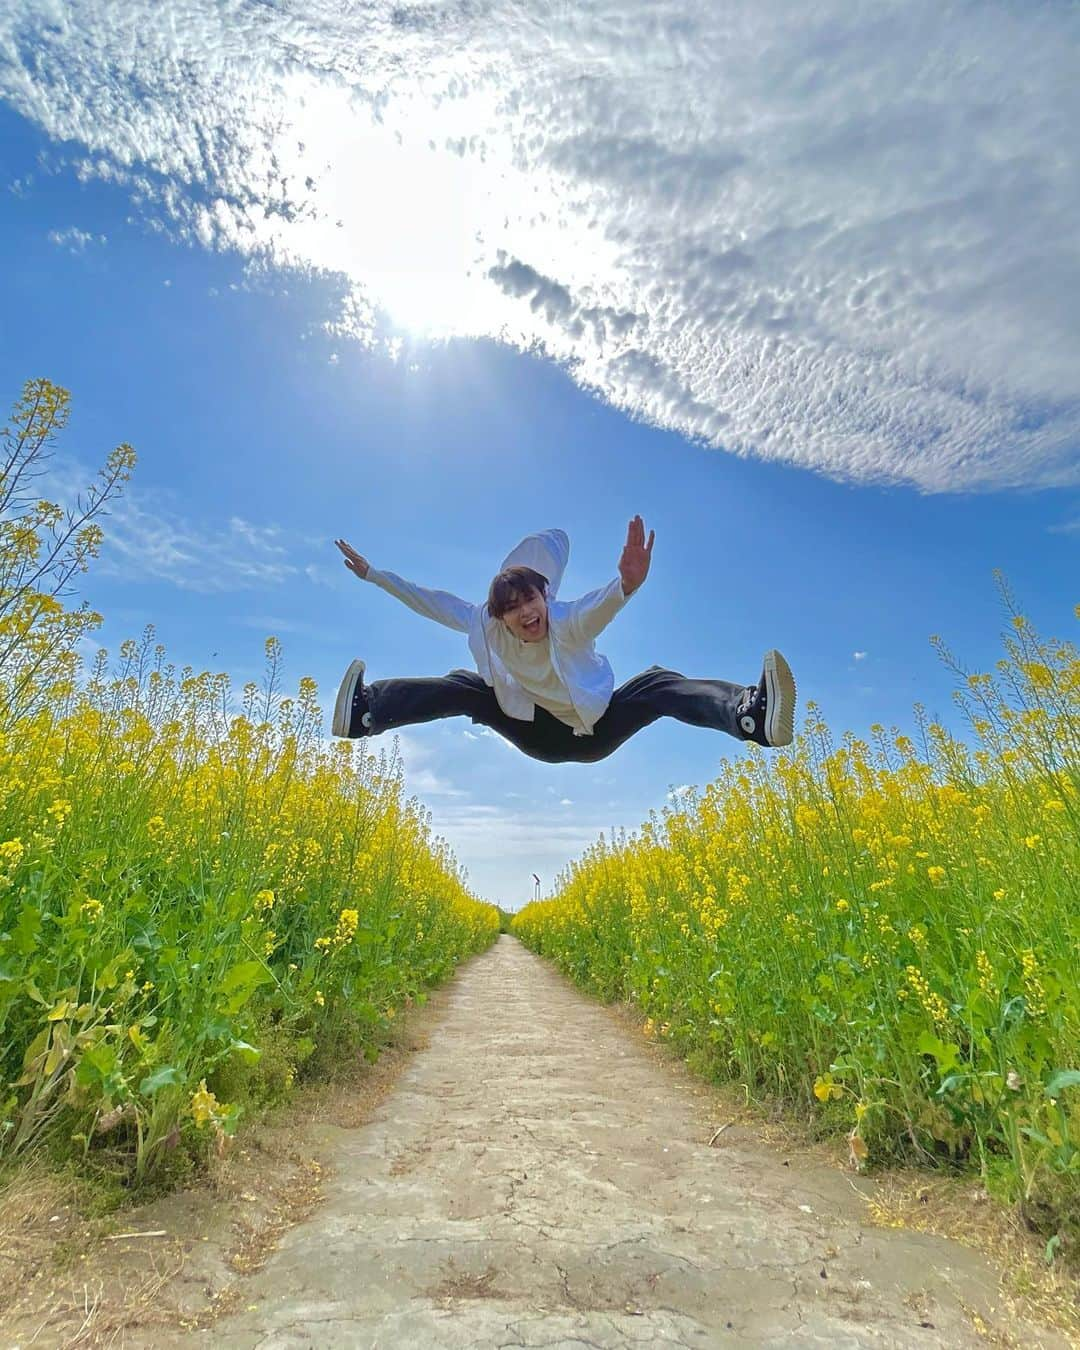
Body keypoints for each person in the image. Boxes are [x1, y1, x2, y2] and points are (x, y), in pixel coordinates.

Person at [330, 518, 795, 764]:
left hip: (594, 731)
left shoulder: (566, 621)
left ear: (545, 596)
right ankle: (365, 712)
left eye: (532, 599)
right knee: (465, 686)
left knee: (656, 684)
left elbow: (599, 606)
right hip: (536, 732)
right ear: (500, 616)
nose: (527, 612)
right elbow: (428, 601)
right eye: (513, 607)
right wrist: (374, 576)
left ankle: (748, 715)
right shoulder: (484, 625)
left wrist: (626, 586)